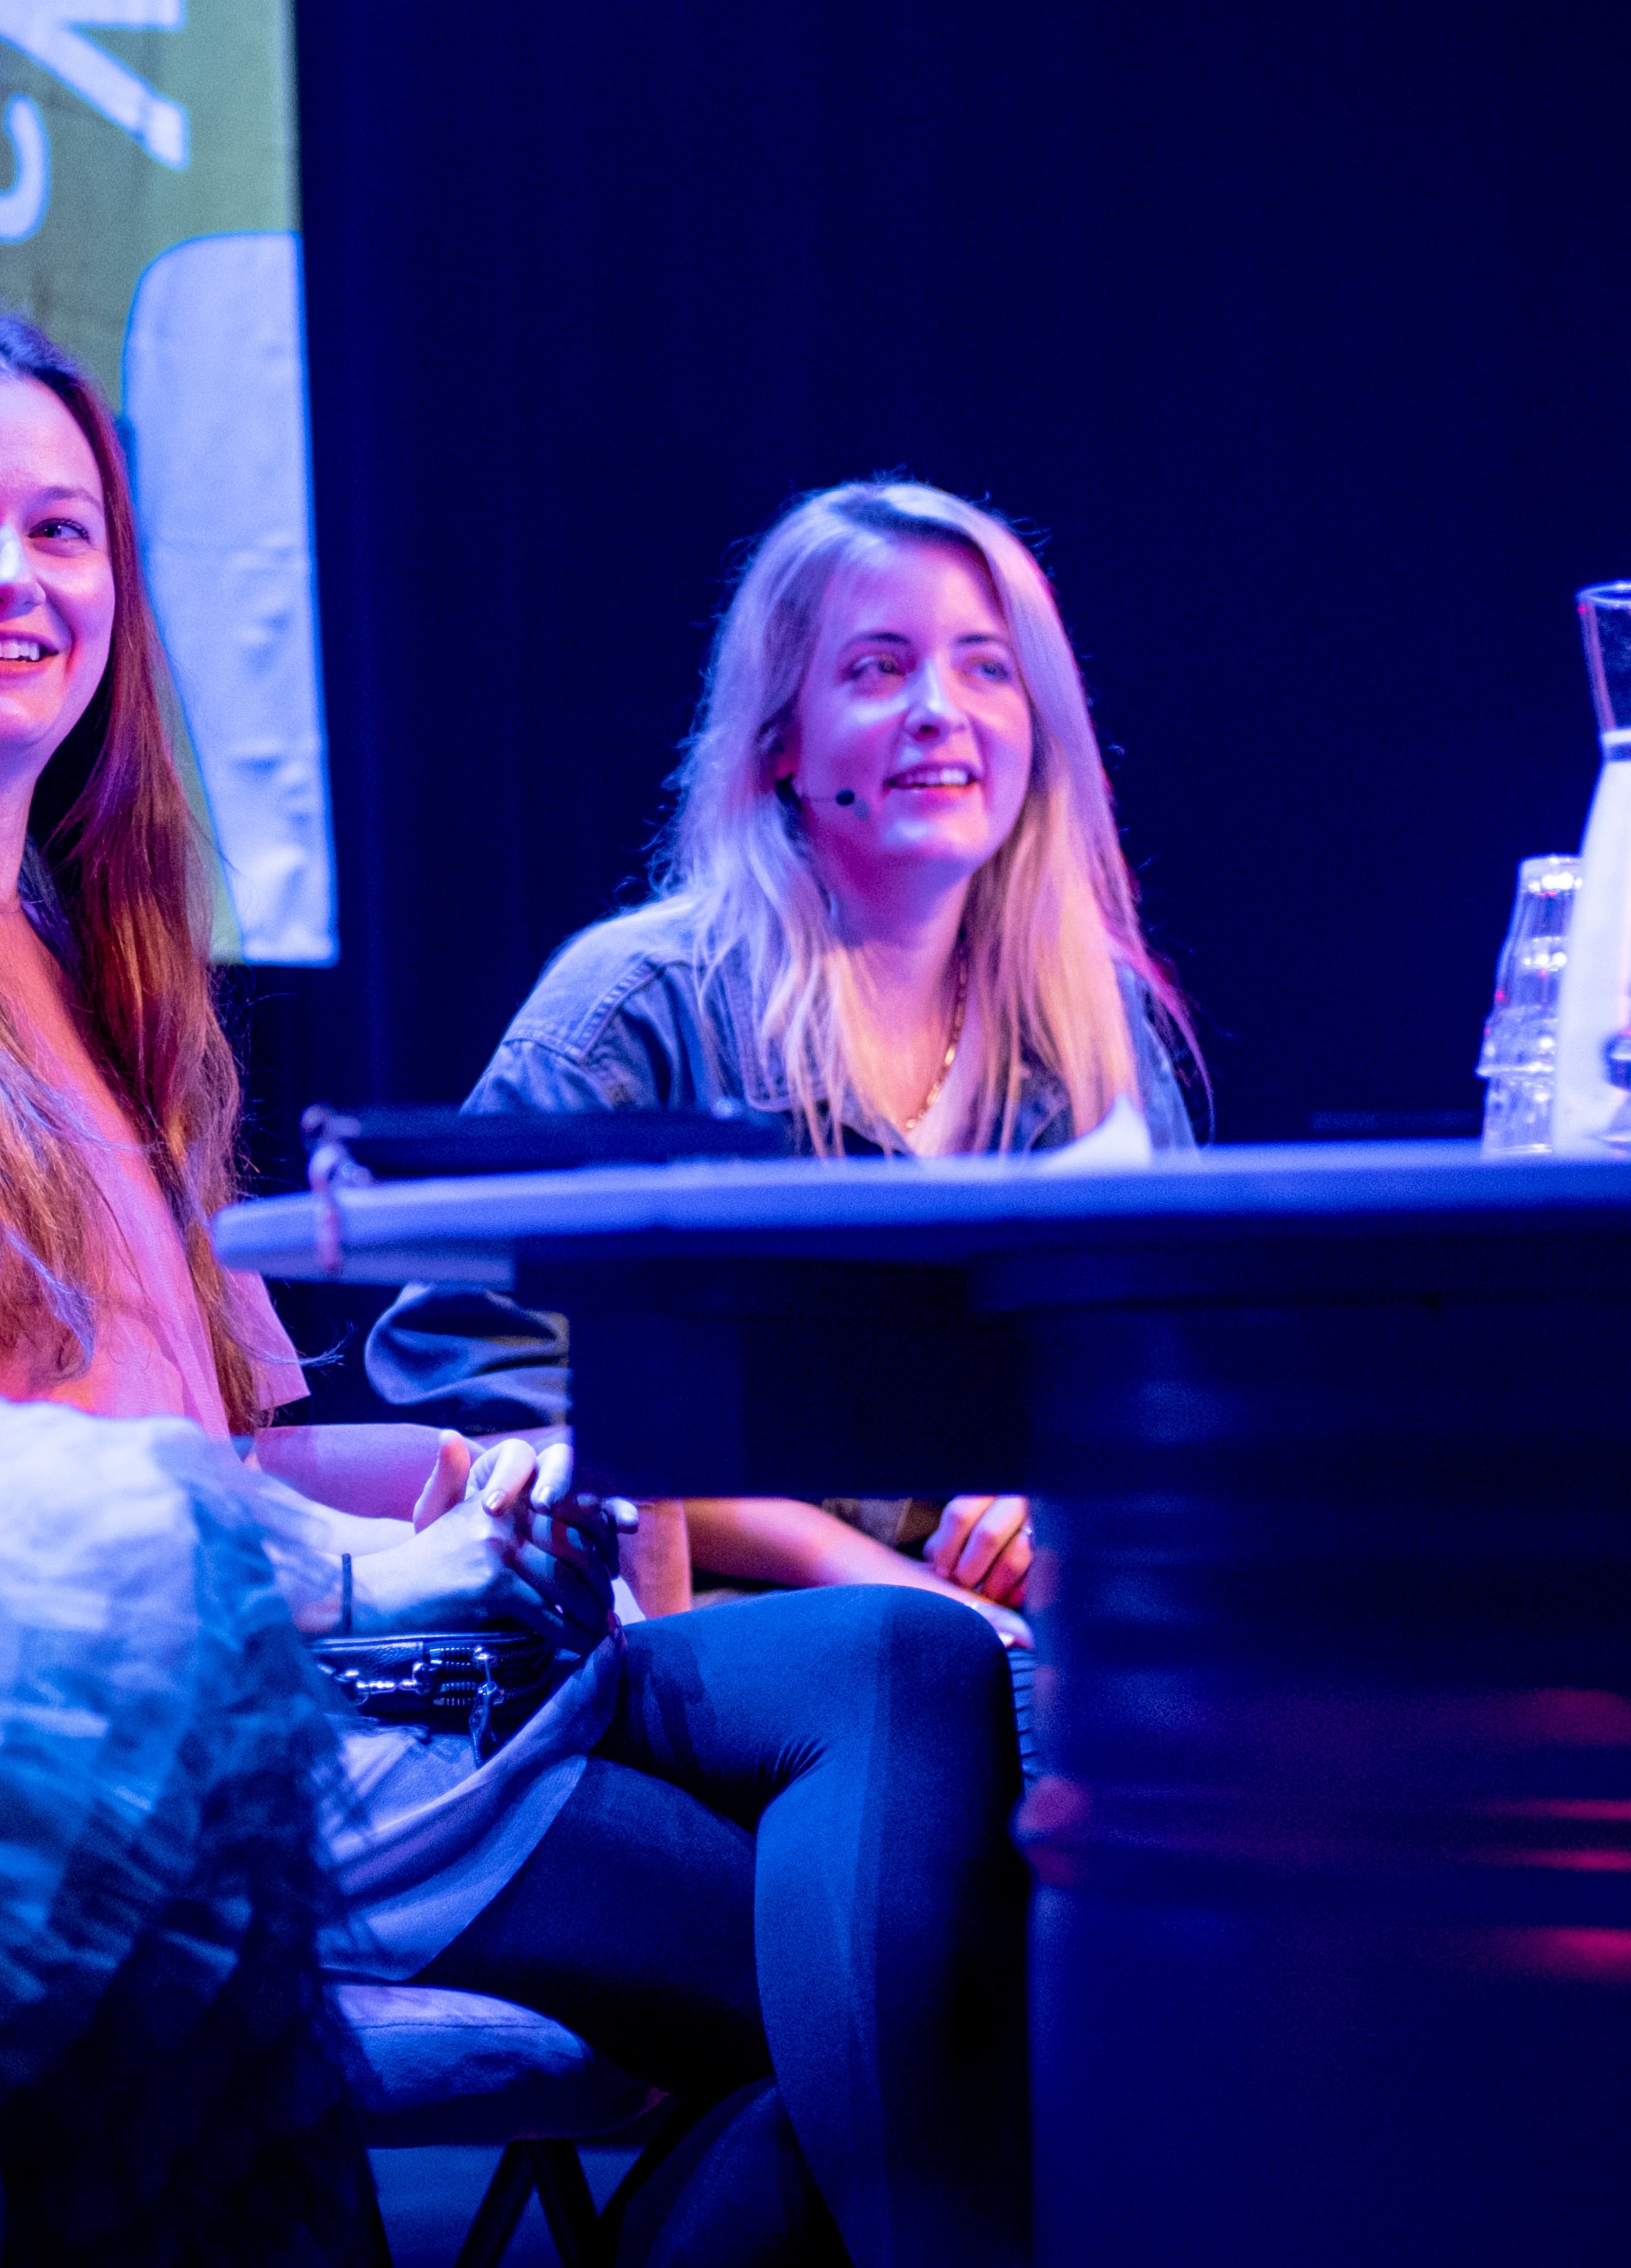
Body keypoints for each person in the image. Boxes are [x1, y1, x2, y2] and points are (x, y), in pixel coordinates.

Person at [0, 318, 1039, 2268]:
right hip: (125, 1765)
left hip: (313, 1688)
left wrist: (476, 1476)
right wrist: (362, 1576)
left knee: (908, 1674)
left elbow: (233, 1448)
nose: (11, 578)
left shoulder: (75, 954)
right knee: (929, 1984)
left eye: (61, 532)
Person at [367, 475, 1198, 1636]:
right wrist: (849, 1564)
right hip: (717, 1646)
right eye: (877, 668)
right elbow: (477, 1372)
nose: (938, 710)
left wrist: (1051, 1492)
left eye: (986, 668)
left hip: (1030, 1645)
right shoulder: (639, 1007)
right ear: (780, 748)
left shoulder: (1096, 1029)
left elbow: (1175, 1378)